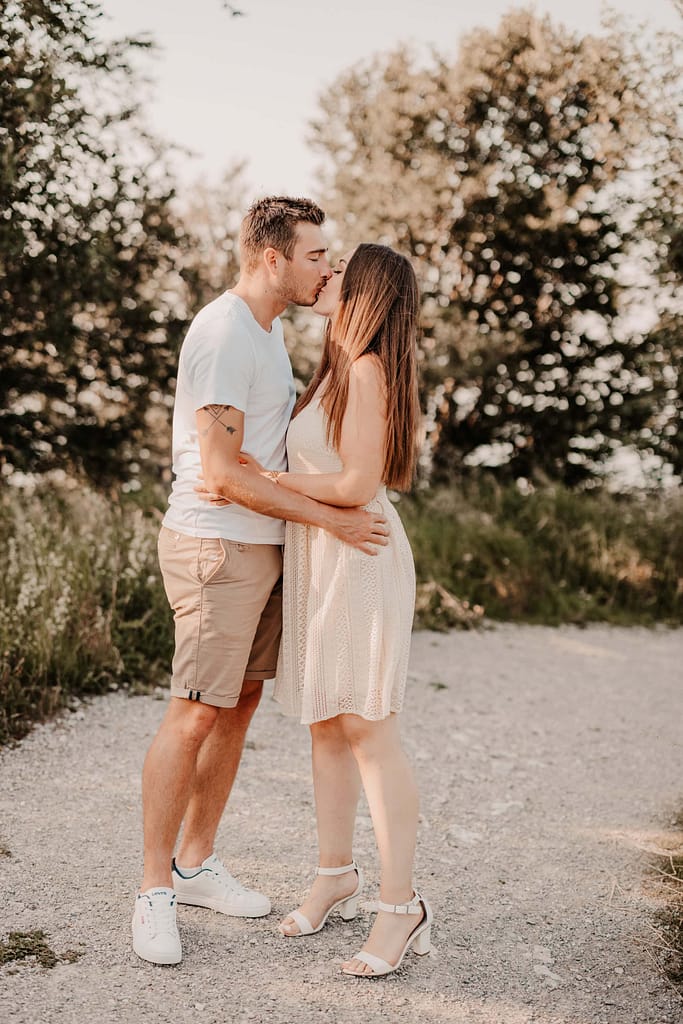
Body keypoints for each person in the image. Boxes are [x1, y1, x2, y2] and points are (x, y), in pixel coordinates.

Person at [132, 198, 389, 967]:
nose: (327, 269)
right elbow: (218, 472)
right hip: (216, 549)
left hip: (263, 545)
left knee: (237, 706)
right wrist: (331, 518)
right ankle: (152, 891)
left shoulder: (268, 332)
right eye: (315, 256)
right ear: (272, 258)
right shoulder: (223, 334)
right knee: (193, 712)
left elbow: (262, 459)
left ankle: (195, 863)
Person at [225, 243, 432, 978]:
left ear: (365, 289)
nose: (326, 273)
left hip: (360, 554)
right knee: (324, 724)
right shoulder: (334, 370)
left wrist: (267, 479)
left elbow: (356, 485)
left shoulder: (368, 369)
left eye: (340, 267)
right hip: (320, 553)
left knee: (368, 729)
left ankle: (400, 907)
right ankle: (334, 875)